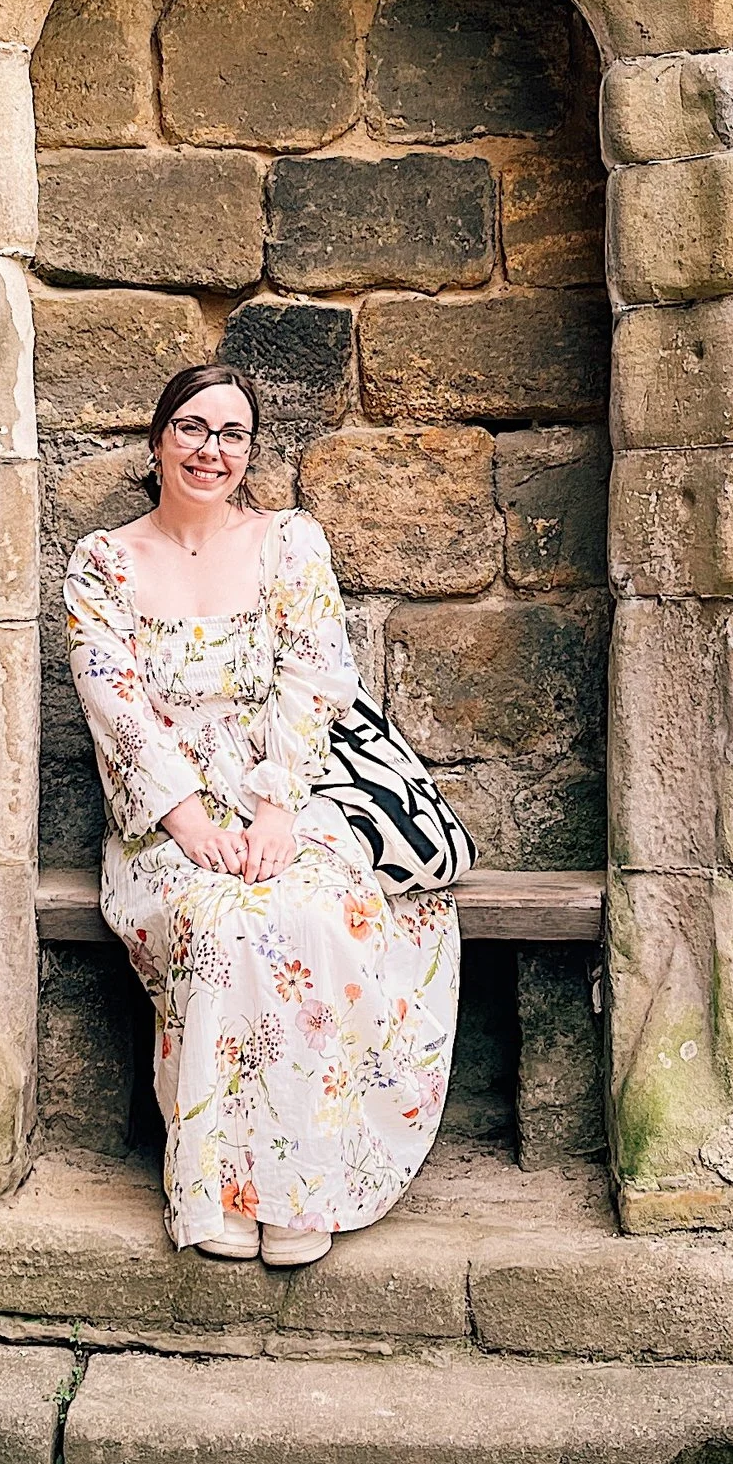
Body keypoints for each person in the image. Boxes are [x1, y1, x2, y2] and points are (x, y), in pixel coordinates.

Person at [63, 363, 460, 1267]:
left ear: (250, 449)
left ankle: (300, 1186)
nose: (213, 449)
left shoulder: (288, 545)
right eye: (195, 428)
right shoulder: (105, 564)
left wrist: (278, 809)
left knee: (309, 913)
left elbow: (317, 675)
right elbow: (114, 705)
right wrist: (190, 822)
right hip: (165, 824)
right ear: (158, 440)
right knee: (219, 920)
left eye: (233, 433)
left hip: (290, 802)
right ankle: (216, 1185)